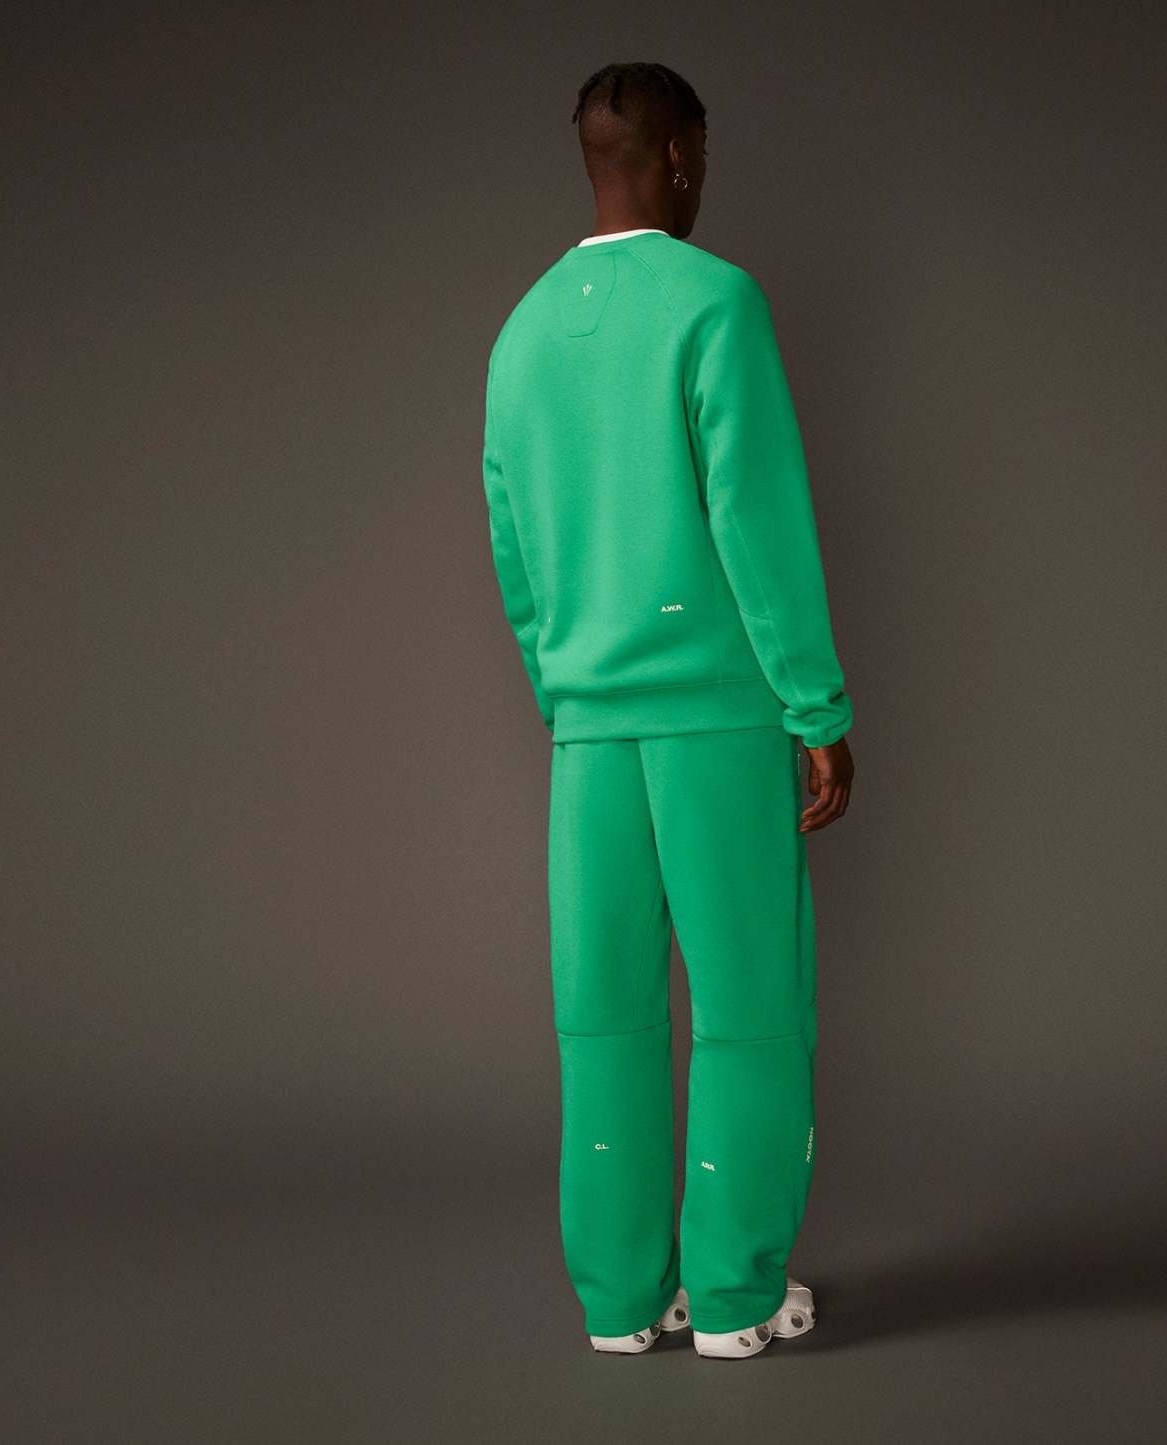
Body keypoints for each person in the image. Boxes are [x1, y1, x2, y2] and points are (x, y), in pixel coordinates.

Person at [480, 60, 855, 1361]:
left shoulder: (521, 331)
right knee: (749, 1010)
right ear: (681, 156)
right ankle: (737, 1299)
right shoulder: (715, 302)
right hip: (714, 722)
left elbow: (515, 549)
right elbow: (757, 522)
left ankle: (621, 1302)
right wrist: (815, 706)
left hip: (588, 733)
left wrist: (568, 695)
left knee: (604, 1019)